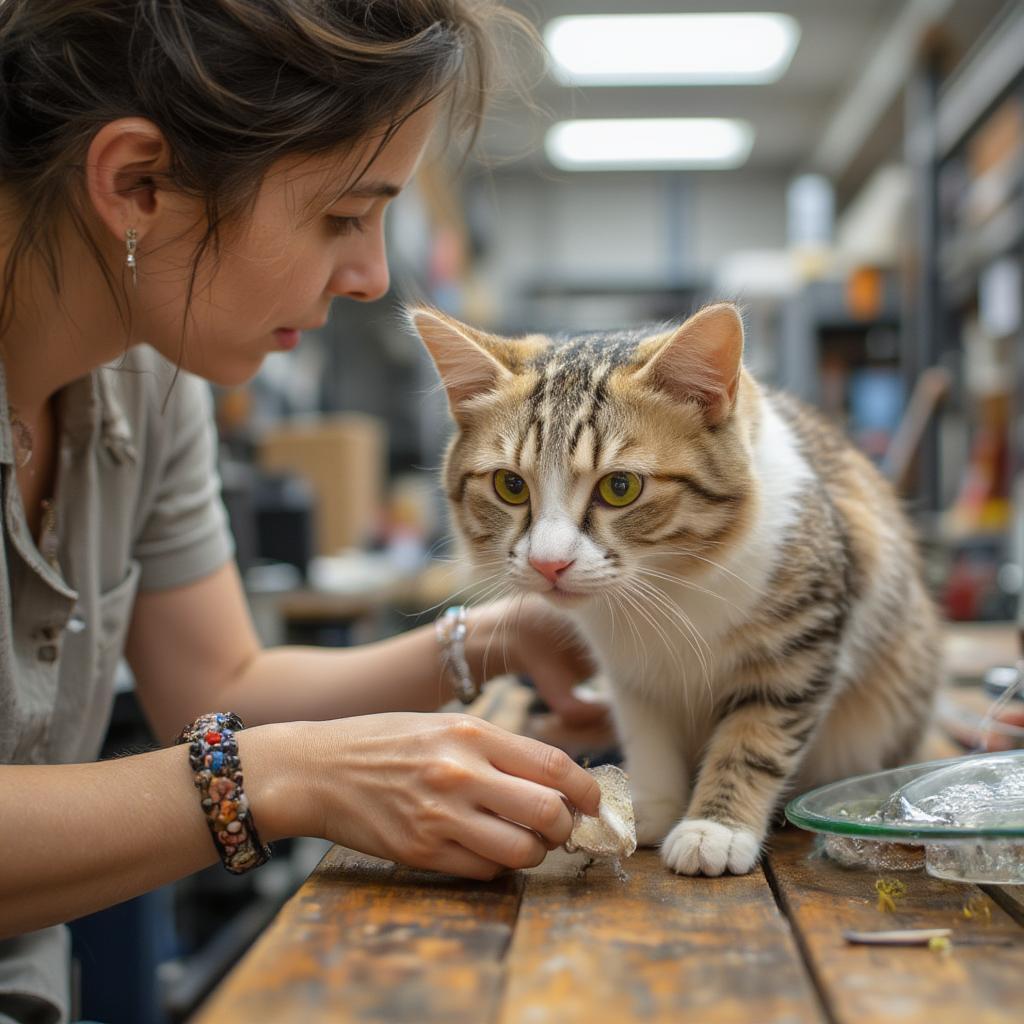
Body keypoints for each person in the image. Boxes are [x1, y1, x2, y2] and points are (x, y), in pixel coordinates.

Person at [0, 2, 605, 1021]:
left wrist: (494, 639)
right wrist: (279, 778)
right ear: (136, 184)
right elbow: (240, 743)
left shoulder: (146, 386)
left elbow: (218, 684)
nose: (370, 277)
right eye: (341, 217)